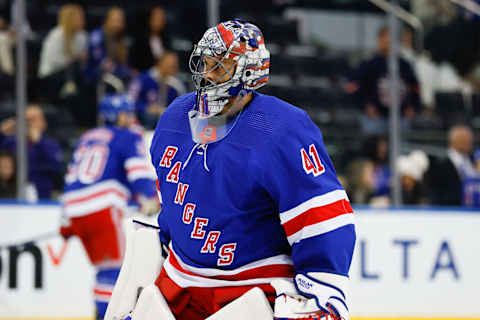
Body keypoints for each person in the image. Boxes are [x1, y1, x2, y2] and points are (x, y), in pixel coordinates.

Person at [110, 19, 356, 320]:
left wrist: (322, 291)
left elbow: (321, 220)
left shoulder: (283, 129)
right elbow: (172, 208)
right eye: (205, 63)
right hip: (180, 285)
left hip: (253, 289)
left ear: (249, 73)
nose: (207, 75)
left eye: (220, 67)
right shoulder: (175, 118)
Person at [60, 94, 159, 319]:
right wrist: (151, 197)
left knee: (104, 270)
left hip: (74, 210)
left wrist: (66, 223)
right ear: (121, 115)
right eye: (128, 113)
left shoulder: (87, 137)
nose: (131, 117)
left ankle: (101, 312)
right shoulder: (127, 136)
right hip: (102, 208)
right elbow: (138, 172)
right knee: (119, 268)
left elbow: (72, 180)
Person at [347, 26, 421, 134]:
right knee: (374, 142)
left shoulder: (404, 65)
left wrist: (413, 106)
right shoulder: (369, 64)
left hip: (400, 118)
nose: (388, 42)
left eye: (391, 39)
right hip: (375, 118)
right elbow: (352, 87)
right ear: (379, 40)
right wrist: (365, 106)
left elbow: (415, 87)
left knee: (403, 142)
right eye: (385, 38)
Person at [0, 105, 63, 199]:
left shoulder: (51, 144)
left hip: (42, 197)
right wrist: (1, 133)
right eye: (26, 120)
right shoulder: (12, 142)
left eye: (33, 120)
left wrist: (39, 143)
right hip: (12, 195)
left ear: (43, 123)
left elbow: (57, 168)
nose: (29, 124)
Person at [38, 4, 87, 101]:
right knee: (74, 65)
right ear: (69, 19)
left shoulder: (82, 36)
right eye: (79, 18)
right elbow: (55, 61)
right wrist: (75, 58)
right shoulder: (57, 35)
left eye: (82, 18)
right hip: (51, 75)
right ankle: (70, 89)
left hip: (71, 73)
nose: (82, 21)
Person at [128, 51, 186, 129]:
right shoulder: (143, 79)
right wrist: (146, 107)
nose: (174, 67)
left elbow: (181, 107)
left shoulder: (176, 85)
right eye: (170, 65)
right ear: (160, 63)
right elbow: (130, 101)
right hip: (143, 120)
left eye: (175, 65)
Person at [426, 125, 475, 205]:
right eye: (463, 139)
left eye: (470, 139)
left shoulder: (474, 160)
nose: (468, 142)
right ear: (452, 140)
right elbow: (436, 196)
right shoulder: (440, 164)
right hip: (452, 211)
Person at [85, 7, 130, 84]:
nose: (117, 24)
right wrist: (124, 71)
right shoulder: (97, 36)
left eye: (120, 21)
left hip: (112, 75)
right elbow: (102, 63)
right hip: (94, 77)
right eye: (115, 20)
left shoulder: (119, 38)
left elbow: (123, 62)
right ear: (106, 20)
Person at [129, 6, 171, 72]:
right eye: (157, 18)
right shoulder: (140, 40)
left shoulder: (166, 40)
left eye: (162, 19)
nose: (160, 21)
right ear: (150, 19)